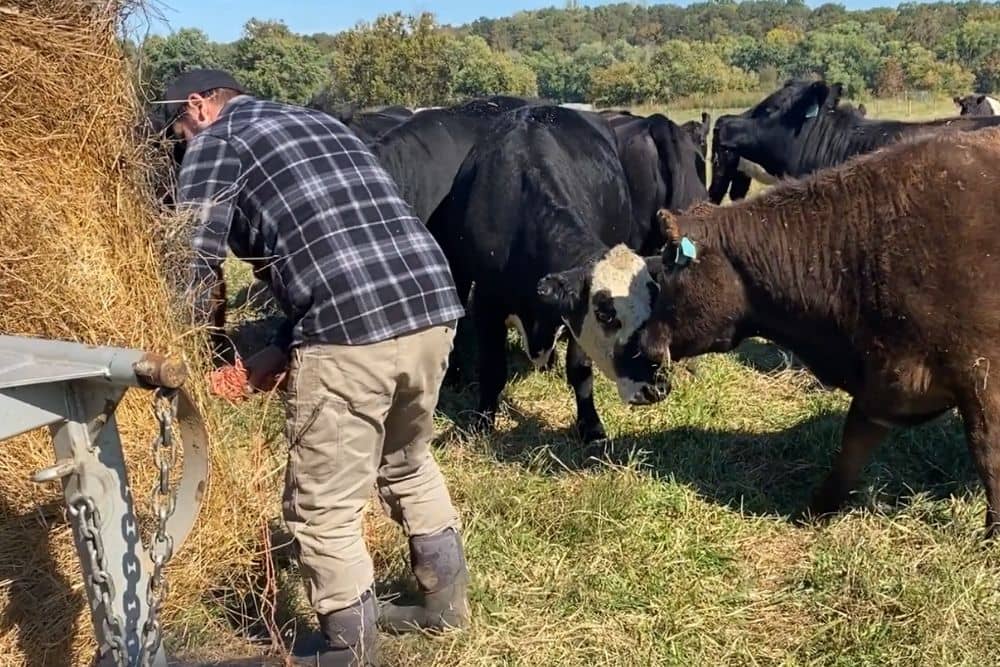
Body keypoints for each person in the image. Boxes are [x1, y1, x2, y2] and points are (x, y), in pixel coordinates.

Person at [156, 69, 470, 667]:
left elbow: (189, 259)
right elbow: (342, 242)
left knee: (322, 505)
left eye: (175, 131)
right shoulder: (319, 123)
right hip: (432, 304)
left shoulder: (215, 142)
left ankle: (346, 648)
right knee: (406, 460)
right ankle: (443, 607)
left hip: (350, 330)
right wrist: (281, 344)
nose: (179, 144)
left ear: (197, 107)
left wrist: (182, 350)